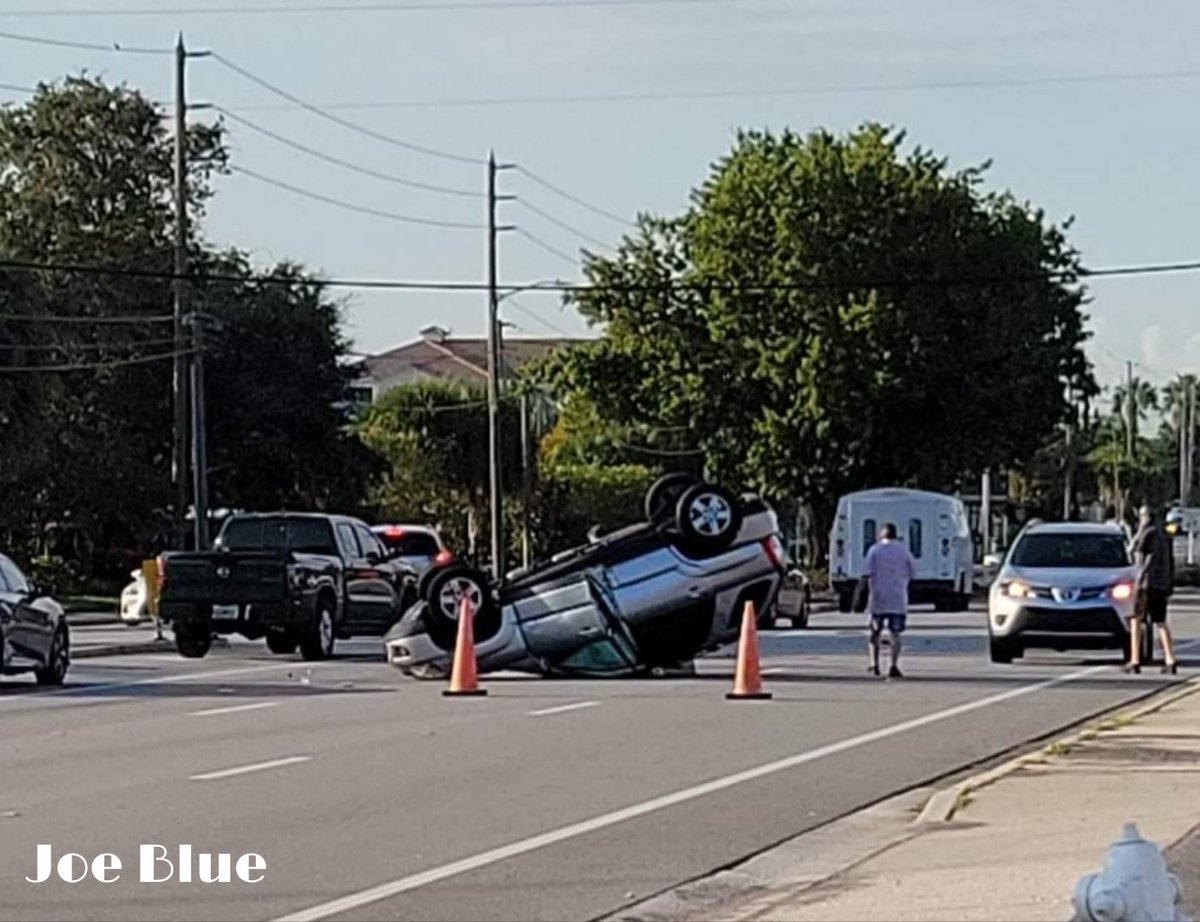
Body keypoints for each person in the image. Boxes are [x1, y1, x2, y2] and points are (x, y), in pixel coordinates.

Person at [1127, 505, 1178, 675]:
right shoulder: (1166, 533)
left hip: (1145, 583)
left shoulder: (1148, 532)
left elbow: (1133, 548)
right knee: (1160, 621)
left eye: (1142, 515)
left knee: (1136, 620)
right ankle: (1170, 659)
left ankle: (1135, 660)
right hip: (1161, 584)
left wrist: (1140, 529)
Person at [863, 522, 917, 679]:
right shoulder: (903, 551)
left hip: (878, 599)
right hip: (898, 599)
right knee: (896, 634)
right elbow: (913, 573)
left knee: (875, 633)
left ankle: (875, 664)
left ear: (882, 534)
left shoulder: (874, 550)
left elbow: (867, 572)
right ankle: (894, 665)